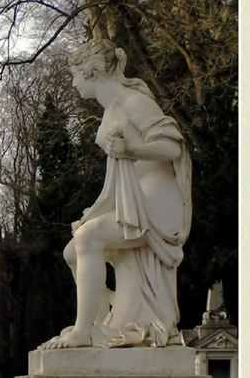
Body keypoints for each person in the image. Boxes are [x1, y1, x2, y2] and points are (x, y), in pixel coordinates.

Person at [41, 38, 191, 349]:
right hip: (134, 202)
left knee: (88, 238)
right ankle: (103, 322)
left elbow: (172, 146)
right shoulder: (112, 109)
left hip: (157, 207)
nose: (73, 82)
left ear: (93, 72)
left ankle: (84, 331)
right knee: (73, 250)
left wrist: (132, 148)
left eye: (75, 75)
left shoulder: (133, 101)